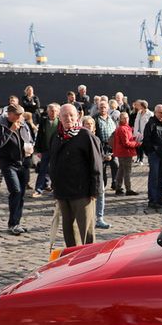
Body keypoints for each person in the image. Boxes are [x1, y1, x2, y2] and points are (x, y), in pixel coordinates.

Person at [49, 104, 102, 246]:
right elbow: (52, 161)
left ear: (78, 116)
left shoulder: (85, 136)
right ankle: (73, 261)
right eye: (65, 115)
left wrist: (95, 190)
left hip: (82, 192)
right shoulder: (57, 136)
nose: (68, 118)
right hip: (63, 192)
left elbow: (96, 165)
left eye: (71, 115)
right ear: (59, 117)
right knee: (69, 231)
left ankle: (90, 261)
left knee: (86, 233)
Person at [0, 104, 35, 235]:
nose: (19, 117)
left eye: (21, 115)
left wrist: (31, 147)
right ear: (9, 114)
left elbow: (31, 139)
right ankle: (12, 223)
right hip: (8, 163)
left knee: (21, 193)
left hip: (24, 163)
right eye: (17, 115)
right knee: (15, 191)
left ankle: (16, 222)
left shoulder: (24, 124)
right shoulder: (0, 125)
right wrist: (10, 130)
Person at [80, 116, 111, 229]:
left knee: (101, 194)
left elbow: (99, 156)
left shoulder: (97, 139)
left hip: (98, 172)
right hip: (85, 173)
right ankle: (86, 219)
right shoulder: (79, 139)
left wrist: (104, 157)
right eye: (86, 124)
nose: (89, 126)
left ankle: (99, 218)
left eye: (91, 124)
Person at [33, 103, 60, 196]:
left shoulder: (60, 122)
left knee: (56, 170)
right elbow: (39, 136)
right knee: (42, 169)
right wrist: (38, 150)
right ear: (47, 112)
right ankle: (38, 189)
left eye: (55, 111)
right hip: (45, 149)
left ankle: (56, 188)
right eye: (51, 111)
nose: (53, 112)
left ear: (58, 112)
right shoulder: (43, 121)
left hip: (57, 150)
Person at [112, 111, 140, 196]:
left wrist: (135, 138)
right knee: (127, 171)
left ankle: (118, 187)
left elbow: (128, 139)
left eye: (127, 117)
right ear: (120, 119)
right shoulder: (122, 128)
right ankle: (128, 189)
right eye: (124, 118)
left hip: (123, 152)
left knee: (121, 170)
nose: (126, 119)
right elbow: (126, 143)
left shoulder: (125, 127)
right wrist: (137, 143)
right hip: (125, 152)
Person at [93, 100, 118, 191]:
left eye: (104, 107)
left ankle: (115, 183)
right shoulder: (95, 118)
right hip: (101, 146)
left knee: (115, 164)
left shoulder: (112, 118)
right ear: (98, 108)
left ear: (108, 108)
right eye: (101, 107)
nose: (103, 109)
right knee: (102, 166)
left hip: (112, 145)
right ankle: (103, 184)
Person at [132, 100, 153, 165]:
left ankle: (150, 160)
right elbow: (136, 122)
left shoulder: (150, 114)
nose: (138, 106)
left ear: (142, 106)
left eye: (139, 105)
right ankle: (140, 159)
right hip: (139, 133)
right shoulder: (139, 112)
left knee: (147, 147)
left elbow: (151, 125)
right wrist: (136, 132)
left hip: (146, 133)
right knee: (139, 146)